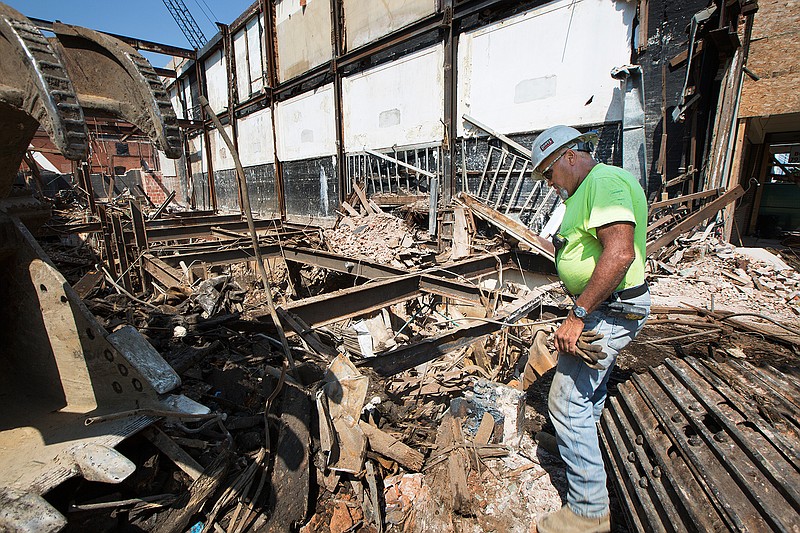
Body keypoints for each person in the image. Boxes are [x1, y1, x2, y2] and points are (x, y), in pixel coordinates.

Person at [530, 125, 650, 533]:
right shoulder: (585, 191)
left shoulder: (604, 181)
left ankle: (588, 512)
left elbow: (618, 254)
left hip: (610, 310)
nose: (549, 184)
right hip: (605, 307)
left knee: (566, 402)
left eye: (549, 173)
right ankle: (578, 451)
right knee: (588, 391)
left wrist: (578, 314)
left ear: (569, 155)